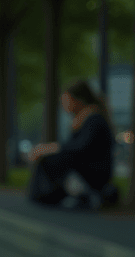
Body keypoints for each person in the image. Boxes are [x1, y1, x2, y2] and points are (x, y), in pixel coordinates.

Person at [28, 80, 117, 208]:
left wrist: (50, 148)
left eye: (66, 101)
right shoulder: (82, 120)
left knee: (51, 159)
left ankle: (75, 194)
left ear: (78, 101)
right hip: (86, 167)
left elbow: (80, 147)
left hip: (96, 171)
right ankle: (52, 195)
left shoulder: (94, 119)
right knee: (48, 159)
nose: (63, 105)